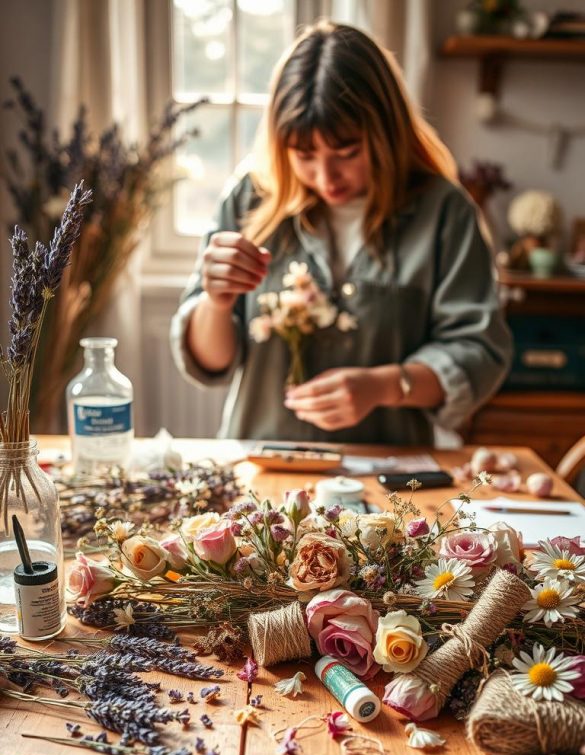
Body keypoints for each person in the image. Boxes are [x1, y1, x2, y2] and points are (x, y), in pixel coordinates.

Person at [170, 20, 512, 445]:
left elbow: (479, 352)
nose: (326, 176)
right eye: (304, 155)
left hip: (391, 476)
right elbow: (211, 364)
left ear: (385, 132)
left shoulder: (444, 212)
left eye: (347, 152)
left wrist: (385, 385)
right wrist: (215, 303)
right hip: (261, 467)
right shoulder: (248, 200)